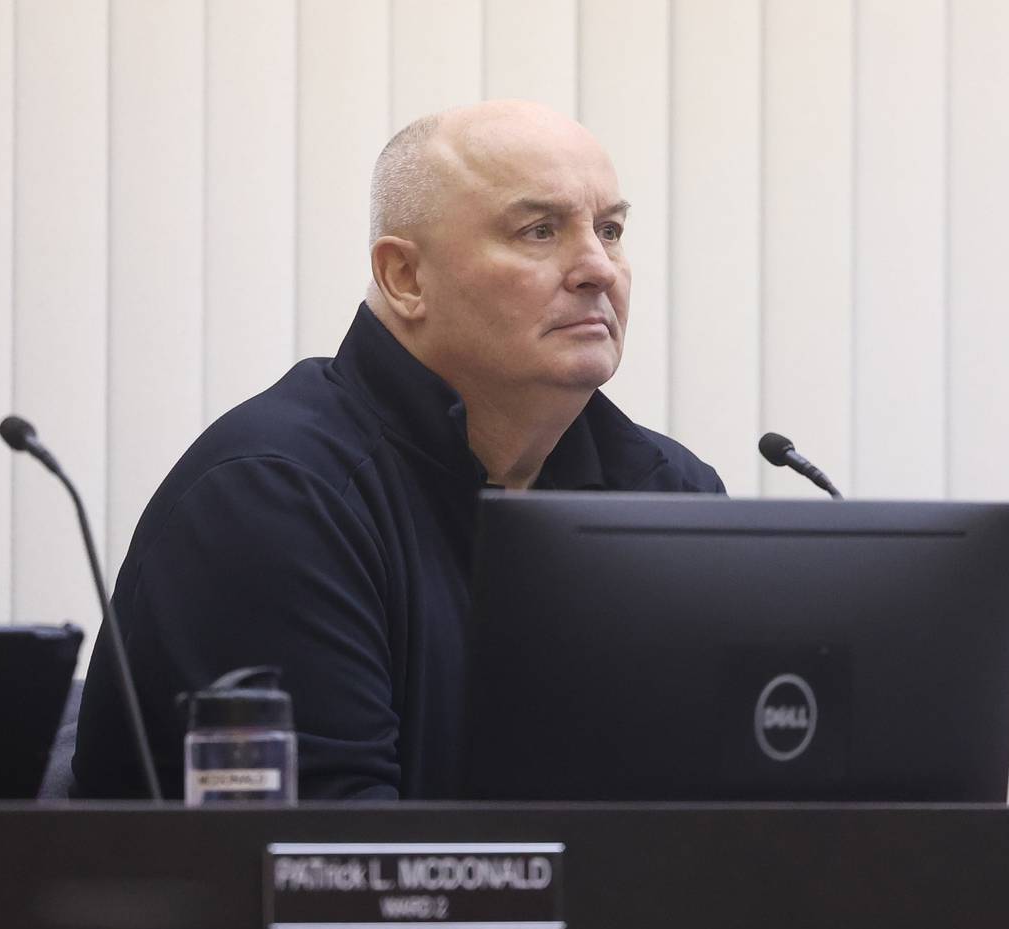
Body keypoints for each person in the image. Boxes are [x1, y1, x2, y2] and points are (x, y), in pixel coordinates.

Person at [72, 100, 725, 800]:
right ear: (405, 278)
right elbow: (335, 862)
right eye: (540, 231)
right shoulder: (274, 495)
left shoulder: (669, 495)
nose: (598, 268)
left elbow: (724, 802)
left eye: (611, 229)